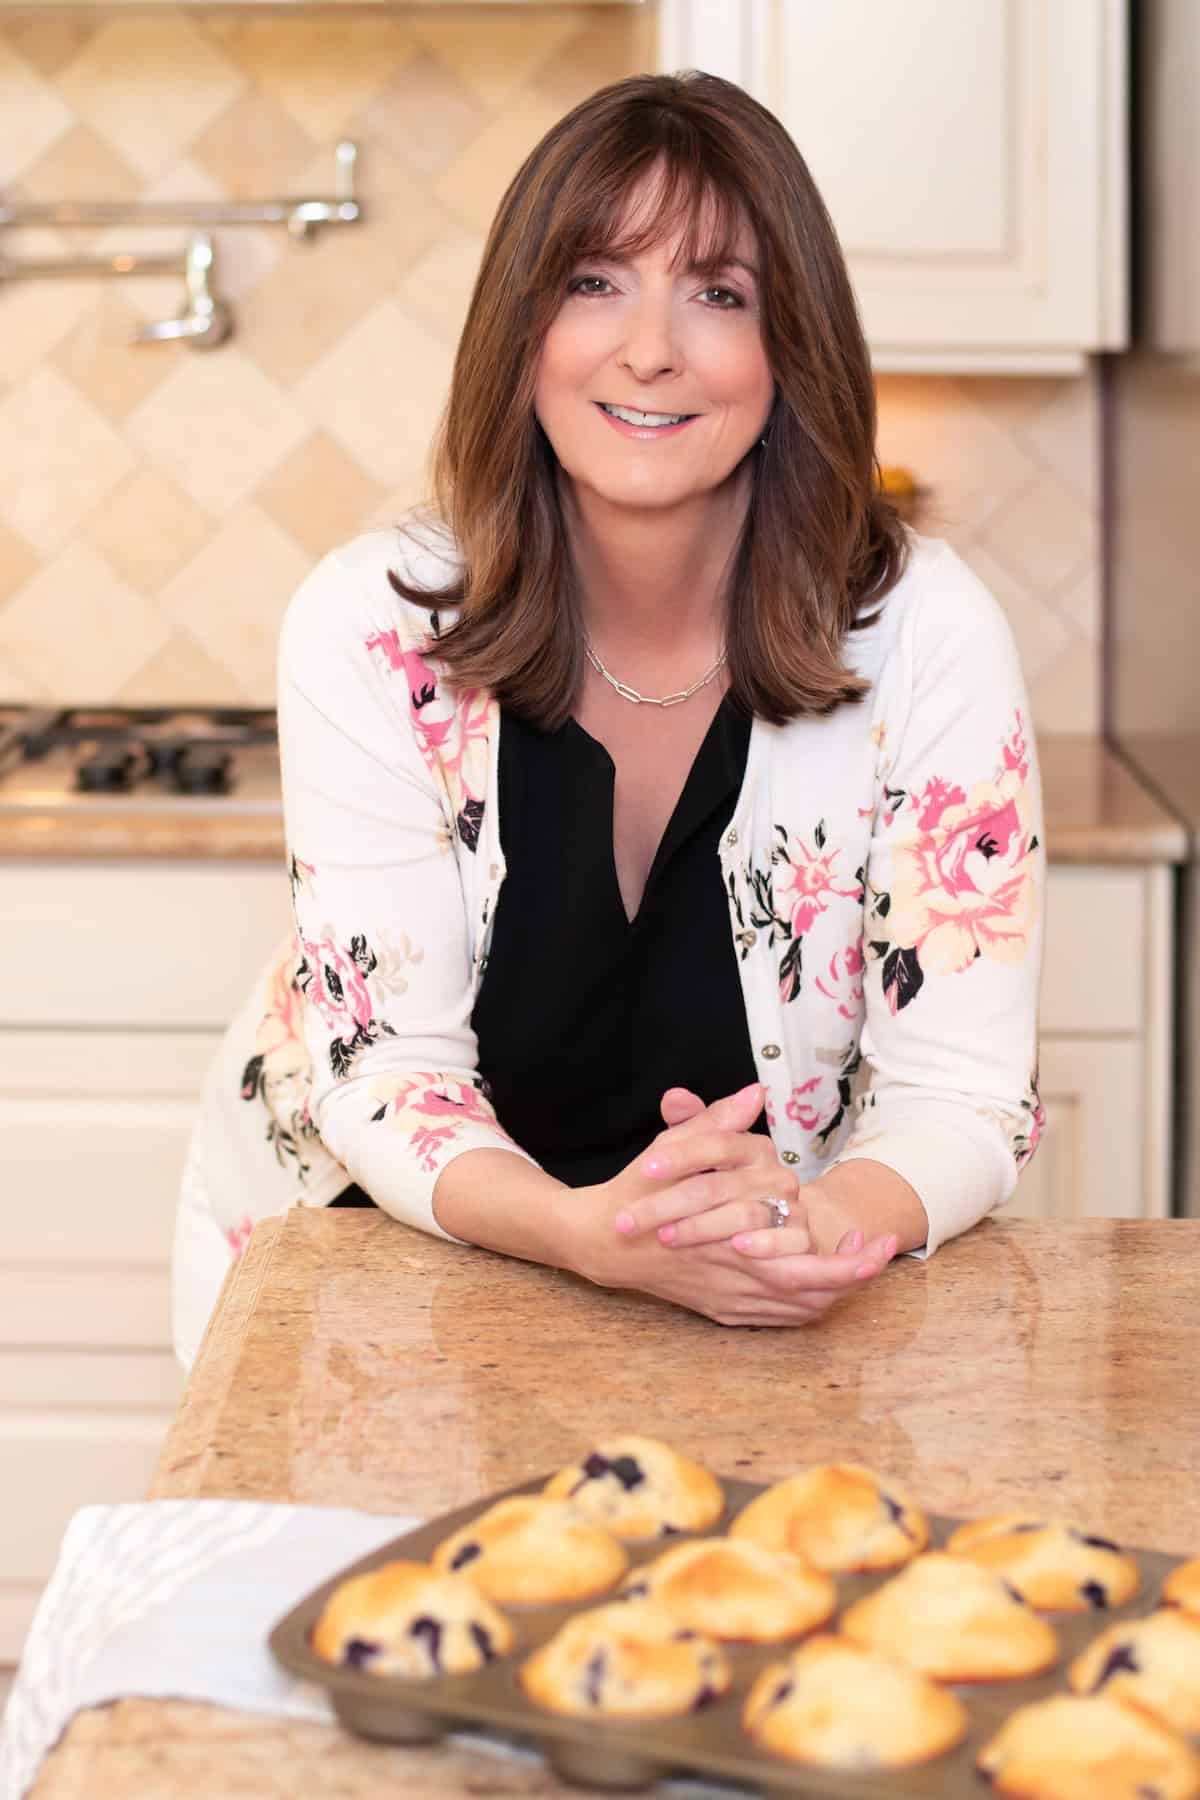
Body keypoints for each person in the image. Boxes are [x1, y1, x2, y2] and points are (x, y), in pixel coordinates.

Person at [172, 71, 1045, 1370]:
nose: (650, 348)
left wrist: (815, 1224)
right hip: (366, 1280)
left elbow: (965, 1096)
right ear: (521, 328)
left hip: (749, 1295)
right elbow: (386, 1072)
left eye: (718, 292)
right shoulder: (371, 624)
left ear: (787, 345)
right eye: (593, 281)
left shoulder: (925, 632)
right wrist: (587, 1234)